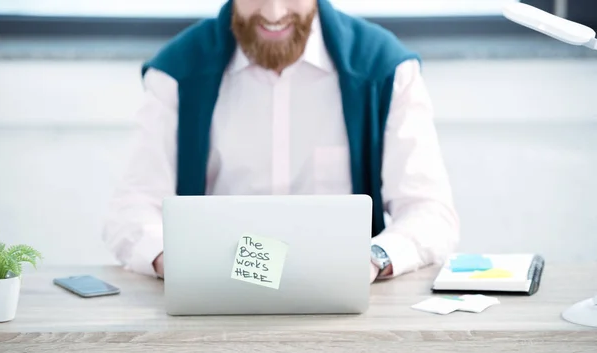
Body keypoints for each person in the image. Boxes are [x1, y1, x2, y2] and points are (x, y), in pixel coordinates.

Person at [102, 0, 460, 283]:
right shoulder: (177, 72)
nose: (273, 12)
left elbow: (431, 212)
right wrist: (180, 263)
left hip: (347, 318)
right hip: (214, 313)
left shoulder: (386, 68)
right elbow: (130, 210)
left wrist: (373, 259)